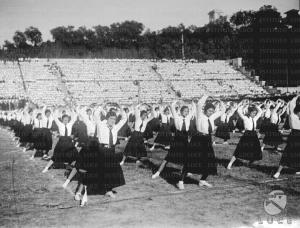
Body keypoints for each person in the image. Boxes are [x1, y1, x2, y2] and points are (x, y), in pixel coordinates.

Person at [152, 100, 195, 190]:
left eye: (187, 111)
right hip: (177, 139)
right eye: (184, 111)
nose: (186, 113)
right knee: (168, 158)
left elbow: (194, 110)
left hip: (185, 139)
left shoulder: (188, 118)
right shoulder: (177, 117)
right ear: (181, 111)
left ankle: (182, 179)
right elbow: (172, 106)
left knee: (186, 158)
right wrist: (177, 101)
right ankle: (158, 172)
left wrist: (192, 103)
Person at [184, 96, 225, 188]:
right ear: (205, 110)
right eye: (209, 111)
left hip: (207, 140)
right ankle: (182, 178)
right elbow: (199, 104)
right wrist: (206, 95)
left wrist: (220, 101)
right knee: (193, 159)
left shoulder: (212, 117)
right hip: (198, 139)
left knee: (209, 161)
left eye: (212, 111)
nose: (211, 113)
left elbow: (222, 111)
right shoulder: (200, 115)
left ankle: (202, 180)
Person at [227, 101, 264, 169]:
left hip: (254, 135)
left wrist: (256, 106)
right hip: (247, 135)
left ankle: (250, 163)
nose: (254, 114)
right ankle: (230, 164)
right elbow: (239, 111)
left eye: (255, 113)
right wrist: (243, 104)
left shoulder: (255, 119)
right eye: (253, 113)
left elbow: (260, 112)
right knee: (240, 150)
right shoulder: (245, 118)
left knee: (255, 150)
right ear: (249, 113)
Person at [42, 108, 78, 173]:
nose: (66, 121)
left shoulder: (70, 124)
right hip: (62, 141)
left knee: (74, 154)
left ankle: (69, 166)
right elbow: (55, 117)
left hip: (69, 141)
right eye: (64, 120)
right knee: (56, 155)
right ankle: (46, 167)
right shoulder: (60, 124)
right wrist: (57, 109)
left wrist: (71, 108)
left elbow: (75, 116)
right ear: (62, 120)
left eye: (67, 120)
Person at [273, 95, 300, 179]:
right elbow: (292, 104)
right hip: (294, 135)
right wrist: (297, 96)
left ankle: (298, 169)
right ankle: (278, 172)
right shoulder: (292, 115)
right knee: (287, 152)